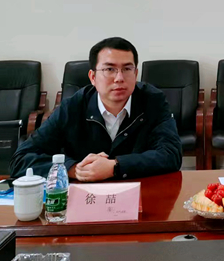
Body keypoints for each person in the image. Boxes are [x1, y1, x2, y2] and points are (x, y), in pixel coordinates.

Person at [11, 37, 182, 181]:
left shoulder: (153, 101)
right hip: (84, 197)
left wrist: (115, 166)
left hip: (140, 195)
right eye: (109, 69)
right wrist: (74, 169)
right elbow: (21, 160)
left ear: (136, 74)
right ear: (92, 77)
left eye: (127, 69)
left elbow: (171, 155)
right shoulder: (73, 106)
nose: (119, 78)